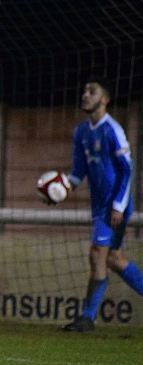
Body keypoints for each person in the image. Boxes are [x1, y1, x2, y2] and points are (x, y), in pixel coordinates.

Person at [62, 77, 143, 332]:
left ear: (104, 99)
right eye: (84, 90)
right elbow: (77, 172)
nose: (85, 94)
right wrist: (61, 187)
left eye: (92, 91)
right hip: (99, 206)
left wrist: (119, 205)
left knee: (97, 254)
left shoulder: (113, 130)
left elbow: (127, 170)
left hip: (114, 205)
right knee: (115, 259)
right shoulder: (82, 132)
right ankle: (88, 317)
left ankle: (87, 317)